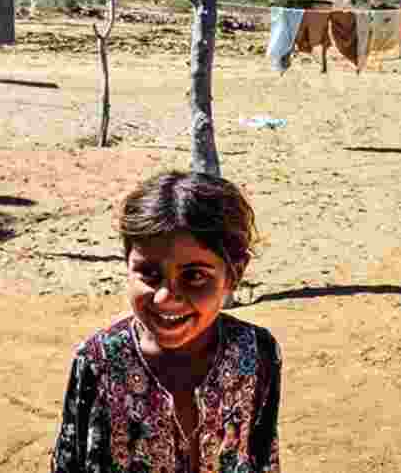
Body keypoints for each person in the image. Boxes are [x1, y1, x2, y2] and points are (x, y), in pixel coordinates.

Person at [50, 170, 282, 473]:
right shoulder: (98, 360)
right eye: (148, 273)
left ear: (234, 273)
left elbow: (263, 455)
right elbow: (70, 462)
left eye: (194, 276)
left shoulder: (257, 353)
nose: (164, 298)